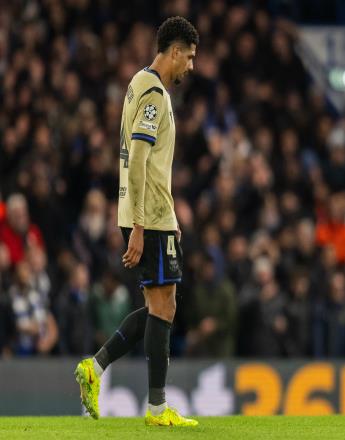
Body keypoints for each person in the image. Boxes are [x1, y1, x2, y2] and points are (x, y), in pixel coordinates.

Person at [74, 16, 199, 427]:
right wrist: (143, 227)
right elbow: (140, 161)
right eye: (189, 57)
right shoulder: (155, 95)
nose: (191, 66)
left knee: (160, 306)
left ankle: (95, 368)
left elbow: (150, 164)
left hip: (154, 214)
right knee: (164, 306)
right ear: (174, 52)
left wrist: (167, 214)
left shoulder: (138, 82)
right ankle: (156, 408)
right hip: (148, 219)